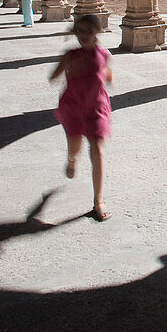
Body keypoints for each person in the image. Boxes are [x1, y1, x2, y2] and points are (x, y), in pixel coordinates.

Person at [50, 14, 113, 221]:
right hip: (74, 107)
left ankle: (98, 200)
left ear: (97, 32)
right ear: (75, 33)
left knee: (97, 150)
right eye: (80, 31)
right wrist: (64, 68)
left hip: (96, 107)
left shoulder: (104, 54)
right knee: (75, 146)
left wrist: (107, 76)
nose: (84, 35)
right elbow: (53, 76)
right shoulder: (70, 55)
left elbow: (106, 73)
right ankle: (71, 159)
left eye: (89, 31)